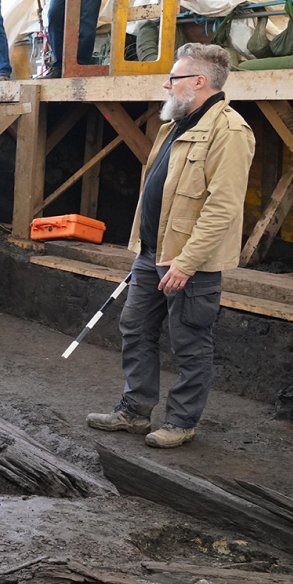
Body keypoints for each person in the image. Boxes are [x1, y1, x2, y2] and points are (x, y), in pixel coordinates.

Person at [86, 44, 252, 449]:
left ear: (199, 82)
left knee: (190, 341)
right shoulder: (174, 125)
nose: (166, 84)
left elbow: (223, 207)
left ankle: (180, 422)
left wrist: (187, 262)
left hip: (188, 263)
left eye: (173, 78)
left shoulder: (229, 131)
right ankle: (134, 411)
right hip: (151, 254)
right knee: (135, 327)